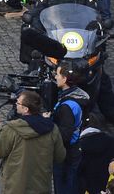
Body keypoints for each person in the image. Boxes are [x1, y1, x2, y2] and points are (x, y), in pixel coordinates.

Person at [0, 90, 66, 193]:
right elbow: (60, 156)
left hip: (15, 188)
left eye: (18, 103)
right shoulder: (52, 128)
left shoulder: (12, 129)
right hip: (41, 188)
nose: (16, 104)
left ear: (25, 109)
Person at [51, 63, 90, 194]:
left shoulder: (67, 106)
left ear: (65, 79)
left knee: (64, 186)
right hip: (74, 149)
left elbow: (64, 135)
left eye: (57, 74)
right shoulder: (77, 96)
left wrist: (49, 122)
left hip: (66, 154)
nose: (55, 77)